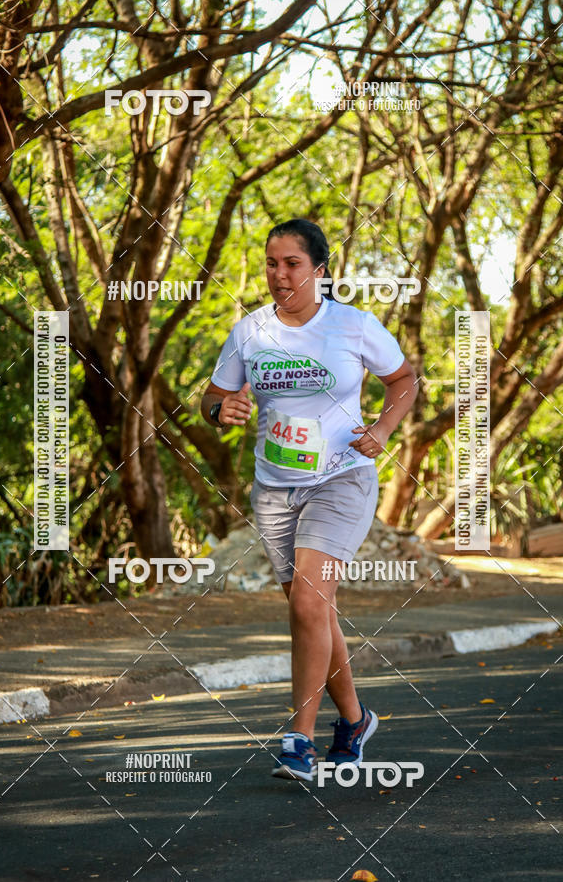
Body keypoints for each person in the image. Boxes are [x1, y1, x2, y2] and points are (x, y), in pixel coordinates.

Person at [201, 218, 418, 782]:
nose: (279, 275)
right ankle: (355, 719)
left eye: (292, 264)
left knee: (307, 605)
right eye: (271, 263)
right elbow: (214, 396)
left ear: (319, 270)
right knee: (311, 609)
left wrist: (384, 429)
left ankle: (298, 738)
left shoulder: (352, 325)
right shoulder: (250, 331)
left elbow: (404, 381)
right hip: (275, 487)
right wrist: (221, 409)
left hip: (342, 477)